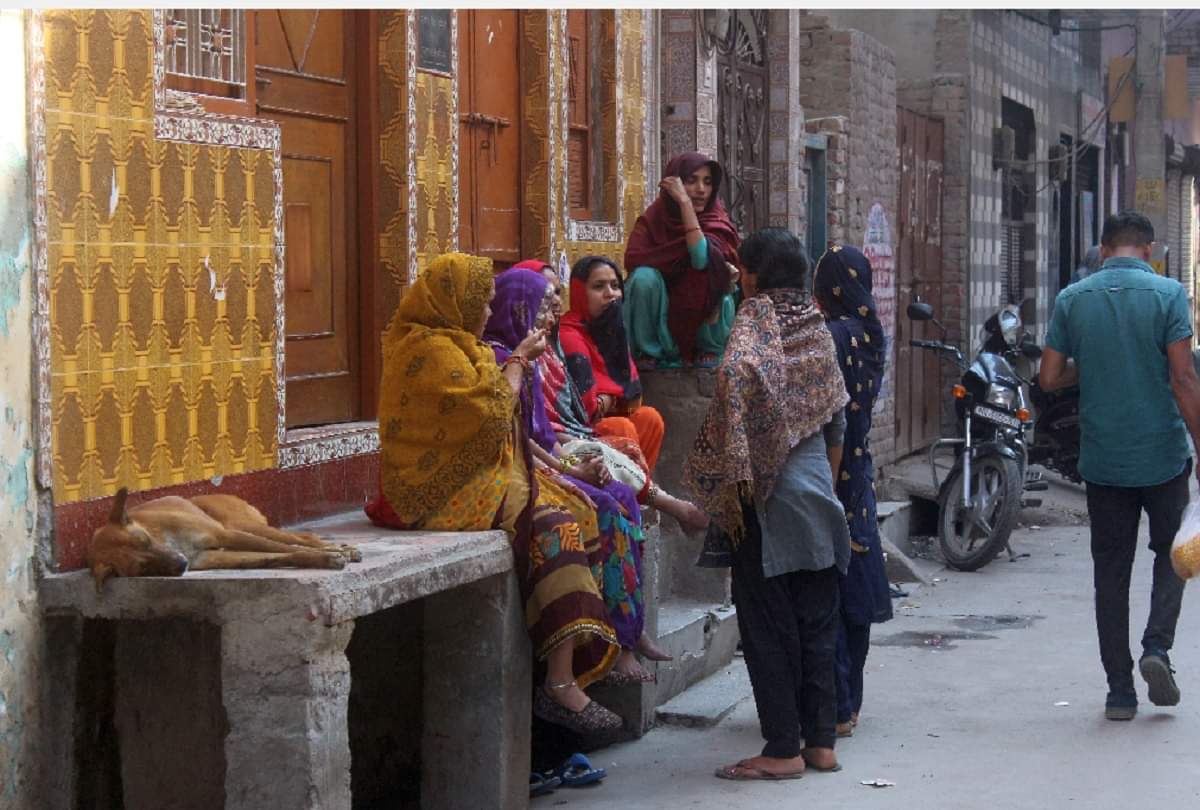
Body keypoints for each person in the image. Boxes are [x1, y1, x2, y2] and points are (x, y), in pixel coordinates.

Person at [365, 252, 622, 735]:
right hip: (430, 492)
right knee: (553, 527)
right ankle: (560, 681)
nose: (487, 312)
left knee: (582, 508)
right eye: (479, 302)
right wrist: (520, 361)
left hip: (480, 475)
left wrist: (564, 467)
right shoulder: (428, 351)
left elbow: (510, 427)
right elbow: (488, 417)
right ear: (452, 302)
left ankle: (573, 669)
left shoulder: (467, 346)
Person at [684, 227, 851, 780]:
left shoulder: (756, 320)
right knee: (817, 630)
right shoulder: (816, 328)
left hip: (766, 503)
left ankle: (782, 749)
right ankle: (820, 744)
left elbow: (736, 374)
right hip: (818, 504)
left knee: (767, 632)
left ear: (752, 276)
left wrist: (749, 438)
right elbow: (836, 423)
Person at [1040, 211, 1200, 721]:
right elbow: (1183, 379)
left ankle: (1119, 692)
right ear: (1148, 251)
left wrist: (1094, 365)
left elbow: (1047, 378)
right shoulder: (1170, 295)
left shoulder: (1072, 299)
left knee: (1110, 572)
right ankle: (1156, 646)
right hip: (1164, 454)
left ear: (1104, 248)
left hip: (1103, 459)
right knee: (1172, 555)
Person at [483, 265, 668, 683]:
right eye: (542, 309)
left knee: (621, 497)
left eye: (552, 308)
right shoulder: (502, 359)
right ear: (518, 310)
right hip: (521, 472)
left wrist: (575, 466)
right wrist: (572, 470)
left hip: (550, 462)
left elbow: (546, 438)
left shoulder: (529, 357)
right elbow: (519, 440)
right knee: (599, 505)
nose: (549, 319)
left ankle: (627, 633)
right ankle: (600, 649)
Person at [513, 258, 709, 535]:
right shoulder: (524, 353)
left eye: (616, 286)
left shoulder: (550, 346)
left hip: (561, 446)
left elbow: (631, 397)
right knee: (619, 431)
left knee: (648, 420)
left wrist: (608, 405)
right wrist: (571, 463)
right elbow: (581, 407)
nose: (611, 294)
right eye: (599, 287)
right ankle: (663, 503)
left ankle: (642, 497)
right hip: (551, 454)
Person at [813, 245, 895, 738]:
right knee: (855, 590)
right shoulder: (868, 333)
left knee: (828, 592)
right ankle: (851, 703)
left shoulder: (827, 338)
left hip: (829, 470)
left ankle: (837, 704)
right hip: (859, 474)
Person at [623, 152, 742, 368]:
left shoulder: (717, 220)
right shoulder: (654, 219)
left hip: (702, 319)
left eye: (707, 182)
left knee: (716, 275)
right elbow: (633, 259)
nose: (701, 190)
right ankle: (650, 351)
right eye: (691, 181)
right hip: (663, 312)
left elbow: (701, 260)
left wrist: (686, 205)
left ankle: (709, 348)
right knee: (643, 278)